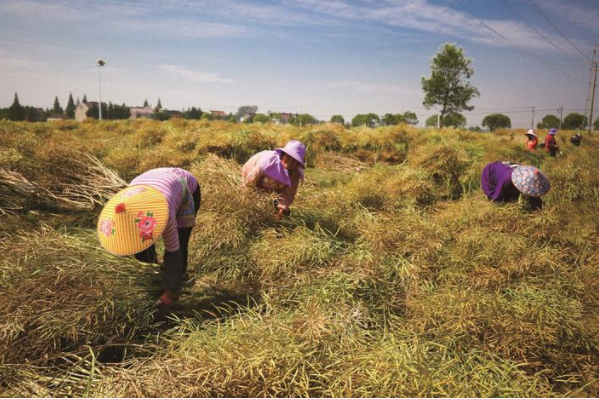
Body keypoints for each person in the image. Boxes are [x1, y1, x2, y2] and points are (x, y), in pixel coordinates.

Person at [98, 167, 201, 319]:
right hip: (149, 182)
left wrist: (168, 294)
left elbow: (174, 253)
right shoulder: (124, 206)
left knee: (180, 242)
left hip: (184, 185)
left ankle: (174, 292)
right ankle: (154, 285)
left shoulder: (166, 216)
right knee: (142, 249)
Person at [242, 140, 306, 220]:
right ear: (283, 155)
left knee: (276, 210)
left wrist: (280, 213)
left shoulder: (295, 173)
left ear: (298, 163)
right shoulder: (267, 162)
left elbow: (288, 194)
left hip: (273, 186)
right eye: (289, 156)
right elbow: (249, 182)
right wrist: (244, 202)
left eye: (295, 159)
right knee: (256, 205)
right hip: (252, 174)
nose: (291, 161)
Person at [481, 161, 550, 211]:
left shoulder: (527, 175)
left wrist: (538, 209)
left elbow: (533, 193)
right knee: (500, 198)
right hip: (491, 172)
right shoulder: (506, 179)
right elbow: (497, 196)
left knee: (513, 195)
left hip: (505, 171)